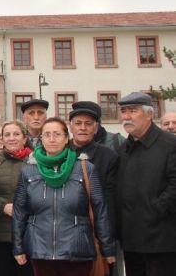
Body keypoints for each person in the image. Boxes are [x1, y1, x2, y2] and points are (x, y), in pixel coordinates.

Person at [12, 117, 115, 275]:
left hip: (77, 249)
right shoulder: (29, 170)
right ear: (41, 139)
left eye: (57, 134)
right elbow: (19, 212)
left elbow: (100, 209)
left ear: (66, 138)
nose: (52, 139)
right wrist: (18, 247)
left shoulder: (84, 168)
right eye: (47, 134)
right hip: (40, 250)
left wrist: (107, 248)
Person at [116, 92, 176, 276]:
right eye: (123, 111)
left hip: (161, 240)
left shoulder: (170, 144)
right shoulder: (123, 149)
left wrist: (154, 209)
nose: (126, 116)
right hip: (131, 239)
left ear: (150, 114)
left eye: (133, 111)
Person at [0, 120, 33, 276]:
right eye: (7, 135)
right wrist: (2, 206)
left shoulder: (36, 163)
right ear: (1, 139)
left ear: (24, 139)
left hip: (29, 233)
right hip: (0, 234)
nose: (12, 138)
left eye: (16, 134)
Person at [68, 102, 119, 233]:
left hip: (94, 226)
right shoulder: (60, 152)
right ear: (71, 127)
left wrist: (107, 235)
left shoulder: (109, 157)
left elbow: (110, 200)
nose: (83, 128)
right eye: (78, 123)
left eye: (88, 124)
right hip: (65, 226)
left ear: (96, 129)